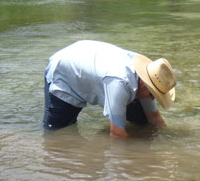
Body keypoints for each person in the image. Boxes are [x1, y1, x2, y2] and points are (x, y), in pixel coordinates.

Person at [43, 40, 177, 138]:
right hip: (64, 74)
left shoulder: (150, 75)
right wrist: (142, 155)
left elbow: (155, 119)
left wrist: (167, 140)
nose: (153, 98)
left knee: (143, 120)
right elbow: (117, 134)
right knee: (57, 134)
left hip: (88, 60)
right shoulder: (119, 83)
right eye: (153, 94)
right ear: (144, 83)